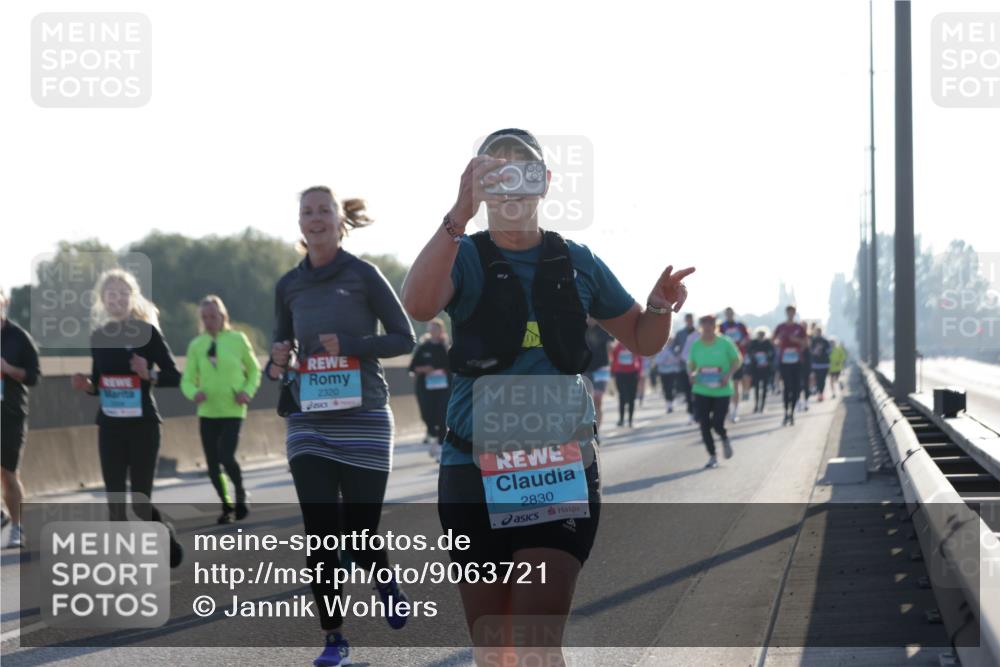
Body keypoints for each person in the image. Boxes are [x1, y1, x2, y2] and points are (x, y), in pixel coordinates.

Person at [400, 128, 693, 666]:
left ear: (546, 182)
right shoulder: (463, 255)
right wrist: (458, 215)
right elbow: (417, 305)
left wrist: (657, 306)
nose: (511, 182)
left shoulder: (576, 260)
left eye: (524, 169)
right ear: (479, 183)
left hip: (557, 467)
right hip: (472, 468)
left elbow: (643, 338)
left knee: (537, 642)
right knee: (495, 650)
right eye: (496, 171)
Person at [266, 186, 416, 667]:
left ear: (339, 221)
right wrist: (277, 359)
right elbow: (278, 353)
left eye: (323, 211)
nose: (315, 218)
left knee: (359, 534)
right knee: (320, 533)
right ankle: (334, 637)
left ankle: (384, 580)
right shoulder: (288, 285)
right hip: (309, 420)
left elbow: (404, 339)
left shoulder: (363, 274)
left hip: (365, 416)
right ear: (300, 223)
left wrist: (352, 344)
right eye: (307, 212)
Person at [69, 269, 184, 566]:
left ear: (133, 297)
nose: (117, 299)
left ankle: (165, 535)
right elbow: (99, 384)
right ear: (102, 300)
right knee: (116, 503)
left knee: (140, 503)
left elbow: (174, 376)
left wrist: (149, 373)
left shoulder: (148, 333)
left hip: (143, 426)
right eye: (111, 294)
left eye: (123, 293)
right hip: (110, 427)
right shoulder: (98, 337)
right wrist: (86, 385)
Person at [180, 295, 261, 525]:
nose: (209, 321)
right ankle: (226, 505)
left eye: (213, 316)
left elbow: (254, 370)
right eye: (205, 317)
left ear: (223, 316)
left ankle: (241, 494)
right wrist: (193, 393)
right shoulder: (196, 345)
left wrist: (247, 391)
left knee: (226, 456)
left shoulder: (238, 339)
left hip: (233, 408)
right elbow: (187, 379)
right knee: (212, 464)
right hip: (208, 411)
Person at [1, 289, 40, 549]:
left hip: (10, 414)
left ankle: (17, 527)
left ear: (5, 302)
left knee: (7, 473)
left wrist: (8, 369)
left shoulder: (18, 337)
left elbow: (34, 376)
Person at [688, 315, 742, 468]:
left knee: (717, 423)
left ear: (715, 326)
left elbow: (737, 360)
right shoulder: (696, 345)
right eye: (704, 324)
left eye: (710, 323)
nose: (707, 327)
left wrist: (728, 375)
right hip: (702, 389)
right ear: (700, 326)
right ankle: (712, 456)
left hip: (721, 390)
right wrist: (691, 374)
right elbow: (691, 364)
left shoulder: (725, 342)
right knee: (704, 424)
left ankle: (724, 437)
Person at [408, 318, 451, 462]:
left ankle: (441, 446)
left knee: (442, 416)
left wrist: (444, 370)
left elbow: (454, 366)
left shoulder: (446, 347)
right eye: (431, 328)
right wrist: (424, 369)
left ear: (441, 330)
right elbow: (412, 367)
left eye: (436, 328)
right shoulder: (423, 347)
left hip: (444, 389)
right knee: (427, 416)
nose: (434, 331)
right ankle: (432, 437)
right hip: (426, 389)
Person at [773, 305, 808, 426]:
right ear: (786, 313)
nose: (790, 314)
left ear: (794, 313)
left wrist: (796, 340)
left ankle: (792, 413)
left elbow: (806, 344)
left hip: (797, 361)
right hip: (784, 361)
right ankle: (785, 412)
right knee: (787, 387)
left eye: (792, 312)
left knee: (796, 388)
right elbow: (774, 341)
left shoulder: (799, 328)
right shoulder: (780, 327)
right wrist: (778, 340)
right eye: (788, 312)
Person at [719, 307, 750, 422]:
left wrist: (744, 341)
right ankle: (726, 409)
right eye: (727, 313)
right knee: (726, 385)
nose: (729, 315)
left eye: (731, 313)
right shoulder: (722, 326)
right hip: (724, 360)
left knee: (736, 385)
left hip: (737, 359)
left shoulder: (740, 325)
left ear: (734, 314)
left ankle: (735, 411)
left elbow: (747, 337)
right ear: (725, 315)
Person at [583, 317, 614, 430]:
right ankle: (589, 427)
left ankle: (597, 431)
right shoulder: (580, 328)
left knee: (597, 399)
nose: (590, 319)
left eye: (592, 316)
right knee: (587, 401)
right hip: (585, 368)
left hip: (601, 368)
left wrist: (610, 350)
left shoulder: (604, 327)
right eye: (588, 316)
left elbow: (611, 346)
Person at [611, 339, 642, 428]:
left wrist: (639, 372)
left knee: (632, 397)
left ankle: (630, 420)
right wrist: (612, 371)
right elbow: (613, 359)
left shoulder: (634, 345)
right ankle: (621, 420)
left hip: (632, 373)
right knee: (622, 396)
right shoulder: (617, 347)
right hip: (620, 374)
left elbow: (639, 359)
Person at [672, 313, 697, 421]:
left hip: (697, 366)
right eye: (688, 320)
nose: (689, 322)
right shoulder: (680, 334)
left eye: (691, 320)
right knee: (688, 390)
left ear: (693, 320)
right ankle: (690, 412)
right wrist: (677, 355)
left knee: (697, 390)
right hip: (684, 366)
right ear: (685, 321)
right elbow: (673, 347)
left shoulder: (699, 333)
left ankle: (697, 411)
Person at [746, 327, 774, 413]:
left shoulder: (768, 343)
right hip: (756, 368)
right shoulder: (753, 342)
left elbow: (772, 354)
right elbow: (749, 352)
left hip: (765, 368)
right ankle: (756, 405)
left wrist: (767, 360)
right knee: (756, 387)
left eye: (762, 334)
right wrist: (754, 357)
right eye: (759, 334)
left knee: (764, 387)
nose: (761, 336)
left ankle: (762, 405)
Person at [654, 337, 685, 413]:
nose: (668, 342)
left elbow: (678, 360)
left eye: (670, 341)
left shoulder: (674, 349)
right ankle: (668, 404)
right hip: (663, 372)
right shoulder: (660, 350)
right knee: (665, 388)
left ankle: (671, 404)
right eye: (667, 341)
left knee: (671, 387)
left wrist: (673, 359)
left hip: (672, 371)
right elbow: (657, 361)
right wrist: (664, 359)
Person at [809, 326, 832, 402]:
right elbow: (810, 350)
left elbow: (829, 350)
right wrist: (815, 351)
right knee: (818, 379)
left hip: (824, 364)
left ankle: (821, 393)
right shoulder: (813, 341)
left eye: (819, 331)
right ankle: (819, 393)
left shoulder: (825, 341)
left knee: (823, 379)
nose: (818, 333)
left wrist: (823, 351)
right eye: (817, 331)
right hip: (816, 364)